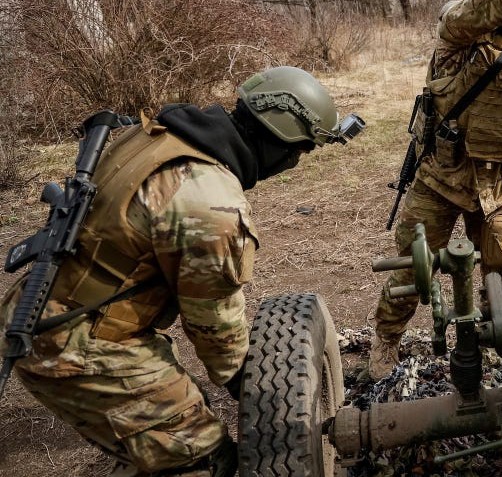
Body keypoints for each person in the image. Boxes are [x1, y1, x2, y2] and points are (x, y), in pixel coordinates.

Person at [0, 67, 355, 477]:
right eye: (301, 150)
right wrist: (271, 397)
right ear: (282, 141)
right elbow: (216, 333)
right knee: (204, 459)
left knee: (183, 409)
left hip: (50, 303)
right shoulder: (211, 205)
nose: (296, 162)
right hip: (76, 348)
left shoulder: (160, 133)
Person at [368, 0, 502, 380]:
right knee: (411, 272)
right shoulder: (459, 28)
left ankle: (498, 343)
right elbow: (464, 15)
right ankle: (386, 341)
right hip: (441, 177)